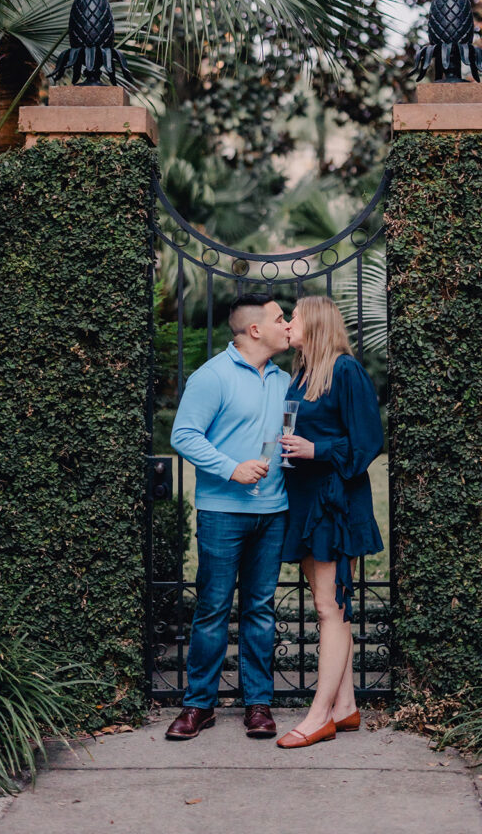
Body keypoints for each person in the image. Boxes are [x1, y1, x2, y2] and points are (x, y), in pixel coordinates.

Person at [166, 293, 290, 740]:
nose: (288, 324)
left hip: (274, 512)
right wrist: (230, 467)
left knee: (258, 610)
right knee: (214, 608)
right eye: (281, 318)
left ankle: (258, 704)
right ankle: (199, 705)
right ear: (255, 329)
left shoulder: (282, 380)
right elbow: (184, 434)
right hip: (222, 512)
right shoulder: (213, 376)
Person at [276, 295, 384, 749]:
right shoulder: (301, 375)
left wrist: (316, 451)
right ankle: (346, 707)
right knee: (329, 608)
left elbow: (368, 444)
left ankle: (319, 716)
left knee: (329, 609)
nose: (288, 325)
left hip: (334, 503)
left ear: (315, 322)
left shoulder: (346, 371)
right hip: (302, 501)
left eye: (293, 317)